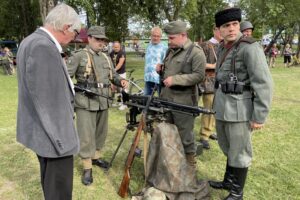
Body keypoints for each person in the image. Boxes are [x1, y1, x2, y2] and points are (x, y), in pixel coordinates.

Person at [16, 3, 81, 200]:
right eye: (76, 31)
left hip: (45, 134)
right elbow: (49, 102)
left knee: (52, 189)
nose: (75, 36)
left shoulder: (31, 41)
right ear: (66, 27)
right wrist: (63, 142)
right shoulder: (43, 46)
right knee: (59, 193)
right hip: (54, 140)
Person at [209, 8, 273, 200]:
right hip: (222, 107)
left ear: (239, 25)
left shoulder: (249, 47)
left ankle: (237, 192)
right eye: (226, 26)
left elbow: (263, 83)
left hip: (240, 110)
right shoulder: (222, 47)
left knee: (240, 152)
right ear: (219, 29)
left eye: (235, 24)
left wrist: (259, 116)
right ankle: (228, 181)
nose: (231, 29)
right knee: (227, 147)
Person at [67, 26, 128, 186]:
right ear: (90, 38)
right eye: (98, 39)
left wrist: (119, 81)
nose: (102, 43)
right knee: (86, 134)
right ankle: (87, 167)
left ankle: (96, 158)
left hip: (103, 100)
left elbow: (113, 75)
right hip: (85, 102)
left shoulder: (106, 57)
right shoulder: (79, 56)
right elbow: (66, 77)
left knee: (101, 132)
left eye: (103, 40)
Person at [158, 21, 206, 167]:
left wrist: (176, 79)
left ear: (183, 35)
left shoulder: (196, 52)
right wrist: (161, 69)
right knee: (168, 133)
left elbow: (199, 76)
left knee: (185, 136)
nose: (169, 41)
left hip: (184, 102)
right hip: (167, 99)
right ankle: (172, 164)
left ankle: (190, 167)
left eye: (171, 38)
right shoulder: (170, 51)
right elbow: (168, 72)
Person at [198, 26, 222, 150]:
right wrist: (213, 65)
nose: (222, 32)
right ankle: (204, 136)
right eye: (219, 29)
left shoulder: (224, 45)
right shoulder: (205, 45)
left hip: (220, 82)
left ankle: (210, 130)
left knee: (216, 108)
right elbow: (199, 63)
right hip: (208, 81)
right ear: (214, 30)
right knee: (208, 109)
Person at [144, 27, 168, 95]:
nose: (156, 38)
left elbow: (166, 62)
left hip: (159, 79)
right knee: (146, 100)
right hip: (148, 78)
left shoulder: (164, 47)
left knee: (162, 100)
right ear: (151, 35)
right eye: (154, 36)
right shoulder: (148, 45)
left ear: (160, 36)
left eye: (158, 36)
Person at [109, 41, 127, 110]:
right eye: (115, 47)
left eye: (117, 47)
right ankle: (119, 101)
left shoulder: (122, 53)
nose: (116, 48)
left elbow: (120, 63)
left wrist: (114, 70)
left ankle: (125, 103)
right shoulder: (111, 53)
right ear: (113, 47)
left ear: (120, 47)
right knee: (114, 88)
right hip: (114, 73)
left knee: (123, 88)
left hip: (121, 73)